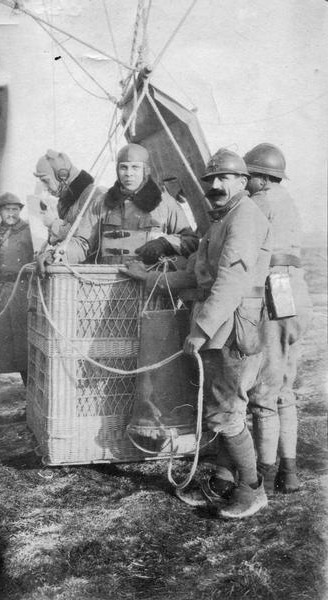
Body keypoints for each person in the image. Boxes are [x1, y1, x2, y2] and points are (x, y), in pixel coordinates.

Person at [124, 148, 272, 519]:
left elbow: (231, 281)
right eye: (211, 180)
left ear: (243, 181)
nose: (216, 185)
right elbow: (196, 275)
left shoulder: (244, 218)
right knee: (221, 409)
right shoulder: (221, 221)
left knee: (226, 413)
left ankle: (252, 489)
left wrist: (202, 329)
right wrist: (150, 278)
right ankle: (222, 483)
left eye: (224, 178)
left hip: (232, 329)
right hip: (220, 326)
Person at [243, 143, 313, 493]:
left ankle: (265, 480)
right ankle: (290, 472)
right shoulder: (289, 202)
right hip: (297, 293)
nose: (244, 181)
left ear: (261, 179)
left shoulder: (257, 204)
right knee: (285, 388)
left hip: (274, 293)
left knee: (263, 393)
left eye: (248, 176)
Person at [37, 143, 198, 270]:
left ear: (145, 170)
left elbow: (191, 240)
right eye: (124, 167)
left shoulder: (165, 203)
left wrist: (165, 242)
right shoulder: (101, 202)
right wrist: (57, 254)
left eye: (135, 167)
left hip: (150, 287)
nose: (129, 173)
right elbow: (82, 243)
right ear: (117, 170)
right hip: (108, 284)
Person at [0, 193, 34, 385]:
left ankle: (34, 395)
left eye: (15, 209)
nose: (11, 214)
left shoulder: (29, 231)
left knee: (27, 346)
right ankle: (27, 392)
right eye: (7, 210)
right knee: (12, 349)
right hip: (3, 295)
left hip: (25, 292)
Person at [34, 149, 105, 247]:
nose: (45, 187)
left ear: (62, 176)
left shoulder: (91, 196)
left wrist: (53, 224)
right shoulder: (66, 201)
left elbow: (82, 238)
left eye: (46, 181)